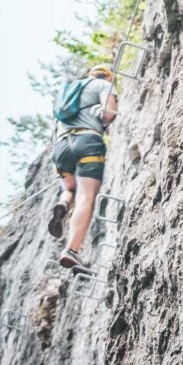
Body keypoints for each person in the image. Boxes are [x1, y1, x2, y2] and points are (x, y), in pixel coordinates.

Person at [49, 65, 118, 270]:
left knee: (70, 189)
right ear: (108, 76)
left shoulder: (70, 92)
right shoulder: (103, 85)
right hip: (87, 141)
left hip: (61, 147)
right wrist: (102, 118)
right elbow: (109, 113)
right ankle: (71, 250)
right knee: (85, 196)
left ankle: (63, 204)